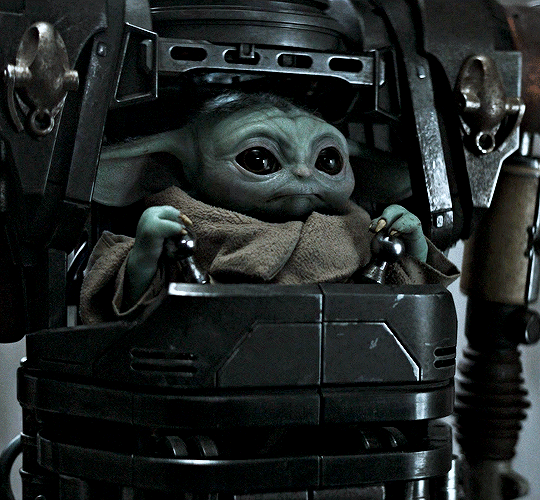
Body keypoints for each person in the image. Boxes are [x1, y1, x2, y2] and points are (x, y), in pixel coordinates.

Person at [80, 92, 458, 324]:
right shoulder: (189, 232)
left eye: (327, 160)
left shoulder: (362, 235)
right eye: (259, 159)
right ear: (177, 165)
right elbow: (129, 316)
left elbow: (411, 311)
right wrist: (145, 253)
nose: (303, 173)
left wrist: (414, 248)